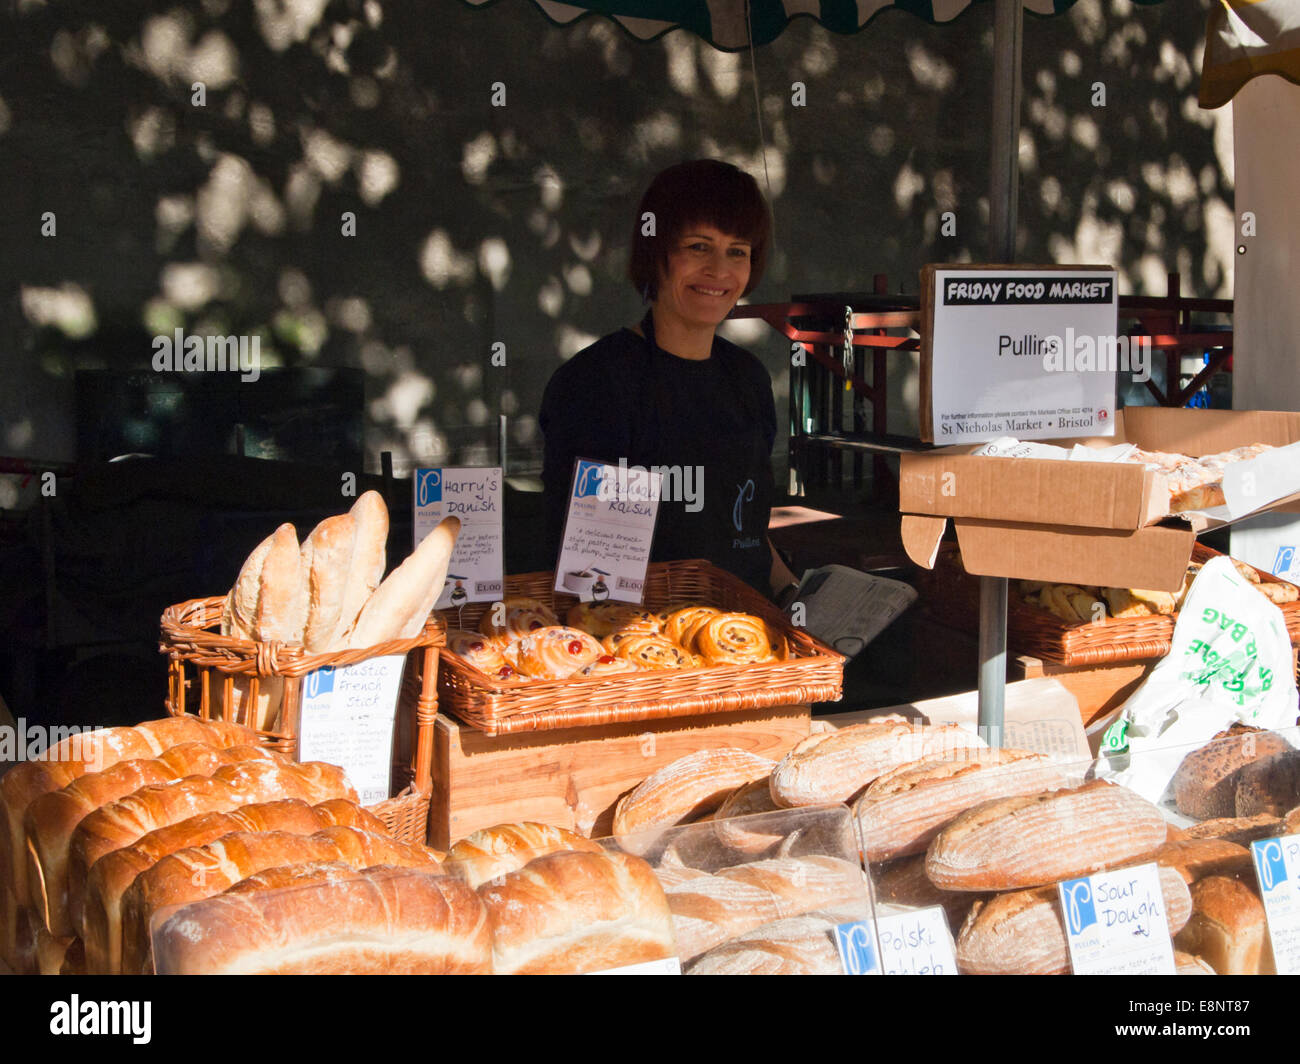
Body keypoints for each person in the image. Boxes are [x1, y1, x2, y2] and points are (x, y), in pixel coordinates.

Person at [540, 159, 798, 599]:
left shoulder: (748, 379)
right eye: (698, 246)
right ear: (654, 252)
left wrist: (798, 596)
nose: (720, 270)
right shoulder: (597, 384)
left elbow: (746, 533)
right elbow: (593, 569)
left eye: (738, 251)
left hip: (752, 639)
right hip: (649, 643)